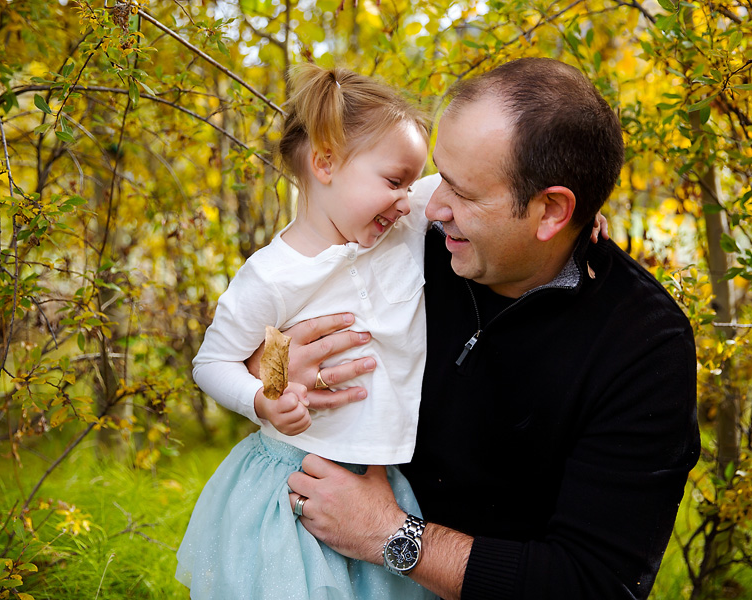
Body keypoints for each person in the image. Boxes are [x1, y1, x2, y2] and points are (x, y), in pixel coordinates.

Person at [275, 58, 701, 599]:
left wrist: (392, 535)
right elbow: (271, 297)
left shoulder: (642, 347)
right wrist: (272, 371)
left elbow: (593, 584)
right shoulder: (406, 234)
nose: (433, 206)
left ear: (552, 212)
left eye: (464, 192)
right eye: (438, 176)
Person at [175, 64, 437, 599]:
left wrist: (577, 210)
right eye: (393, 181)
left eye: (412, 183)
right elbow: (213, 362)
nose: (406, 198)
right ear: (324, 163)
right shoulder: (272, 276)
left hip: (382, 479)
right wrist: (264, 397)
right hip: (298, 476)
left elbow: (488, 186)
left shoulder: (401, 228)